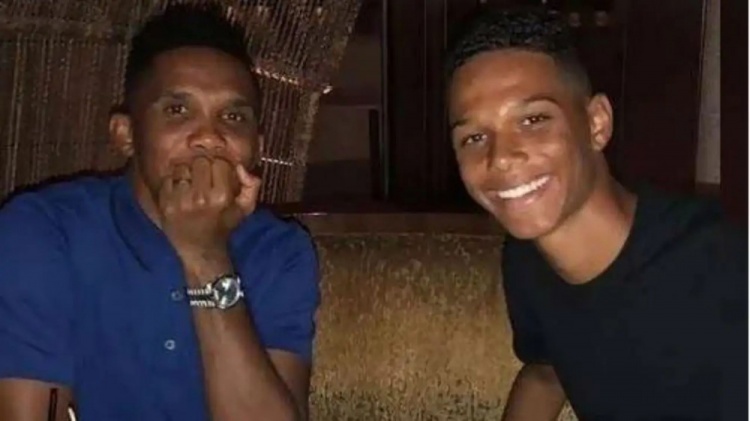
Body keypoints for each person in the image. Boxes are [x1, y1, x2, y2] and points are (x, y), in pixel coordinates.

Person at [0, 3, 319, 420]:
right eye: (178, 110)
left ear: (257, 148)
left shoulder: (278, 251)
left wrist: (205, 256)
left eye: (233, 116)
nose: (209, 137)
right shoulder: (42, 232)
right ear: (126, 134)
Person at [446, 7, 746, 421]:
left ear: (596, 124)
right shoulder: (526, 259)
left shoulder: (721, 266)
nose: (500, 158)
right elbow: (546, 372)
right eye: (474, 137)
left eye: (533, 120)